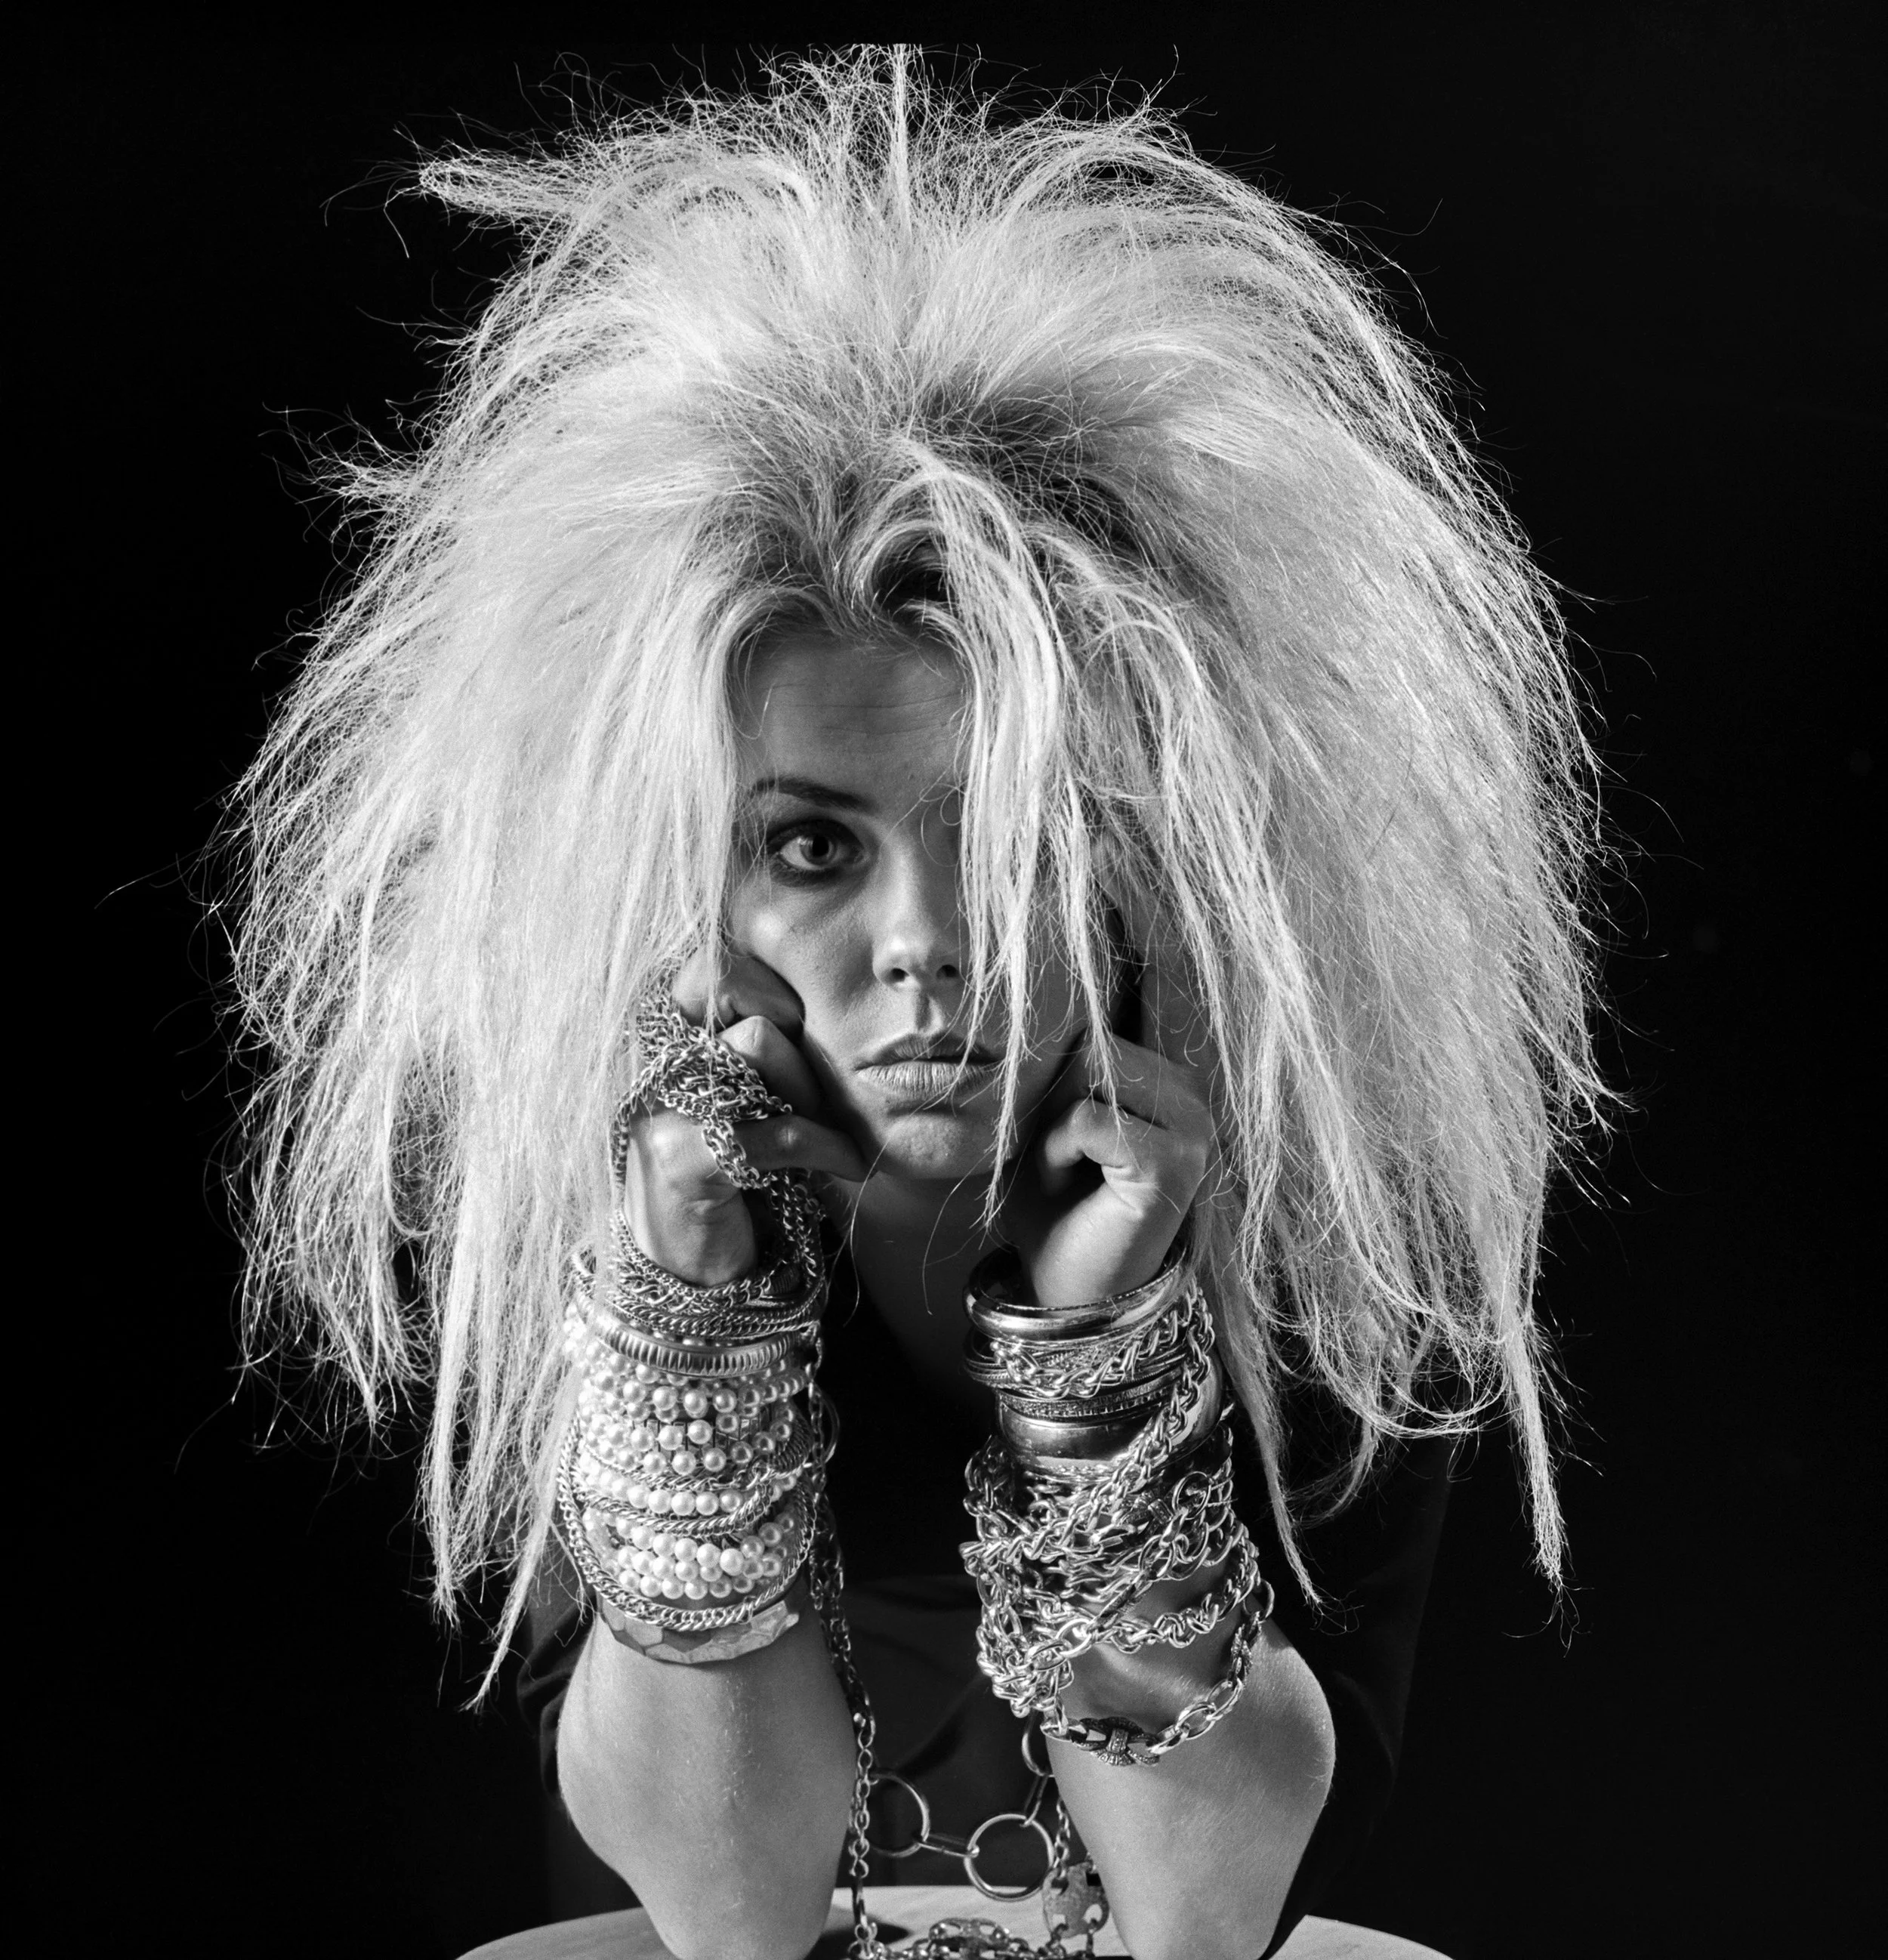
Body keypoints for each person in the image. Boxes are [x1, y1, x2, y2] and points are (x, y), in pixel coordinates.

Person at [230, 49, 1602, 1960]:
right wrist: (690, 1320)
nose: (926, 940)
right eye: (811, 845)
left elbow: (1208, 1910)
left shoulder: (1329, 1213)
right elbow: (724, 1912)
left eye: (1004, 830)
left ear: (1132, 848)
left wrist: (1098, 1361)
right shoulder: (590, 1207)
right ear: (681, 879)